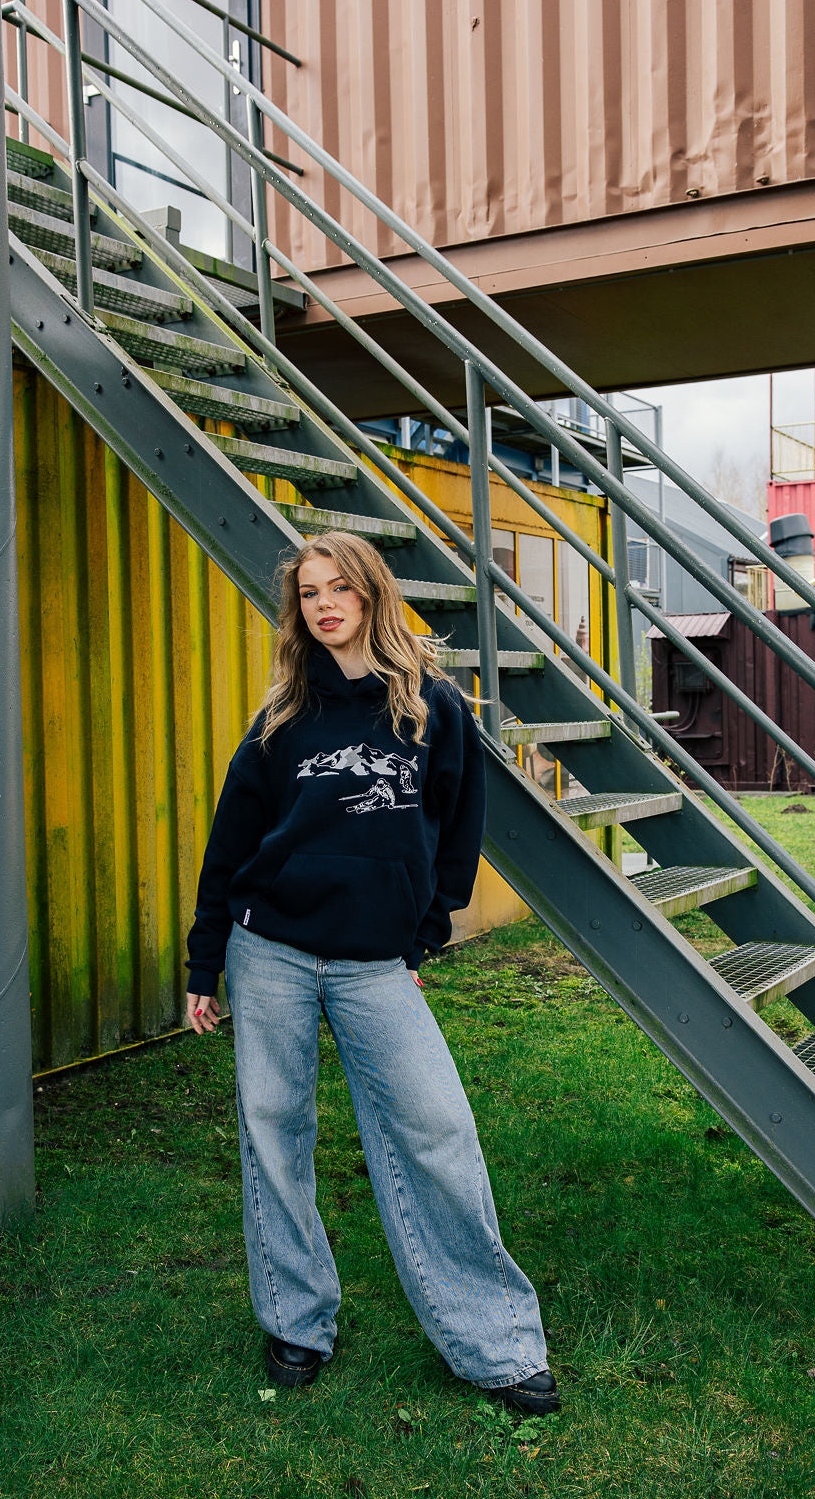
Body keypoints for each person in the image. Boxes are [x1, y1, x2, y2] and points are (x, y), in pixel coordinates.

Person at [184, 530, 558, 1415]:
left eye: (339, 587)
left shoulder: (433, 706)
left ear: (372, 594)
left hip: (373, 966)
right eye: (309, 592)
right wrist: (206, 960)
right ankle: (296, 1322)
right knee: (275, 1133)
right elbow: (230, 845)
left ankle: (497, 1344)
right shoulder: (282, 718)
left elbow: (457, 829)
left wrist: (420, 938)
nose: (324, 604)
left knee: (437, 1131)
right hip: (268, 950)